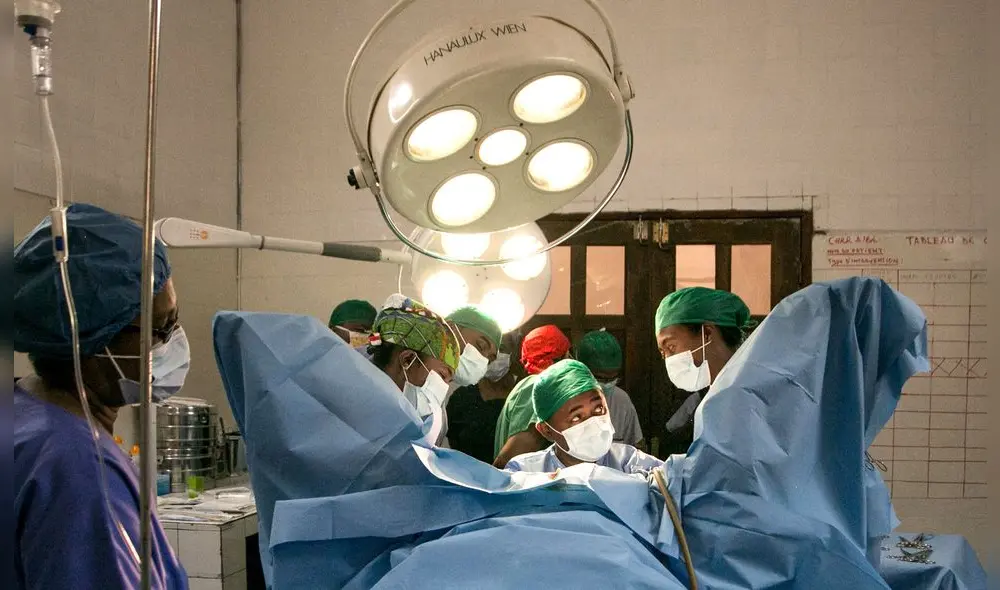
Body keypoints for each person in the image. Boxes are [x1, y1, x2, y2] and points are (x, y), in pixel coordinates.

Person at [10, 204, 188, 589]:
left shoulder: (22, 417)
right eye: (160, 327)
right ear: (91, 337)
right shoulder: (79, 471)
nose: (172, 341)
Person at [505, 360, 662, 475]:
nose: (592, 422)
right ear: (546, 430)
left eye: (599, 409)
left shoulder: (630, 465)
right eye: (576, 417)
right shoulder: (525, 473)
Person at [655, 287, 753, 454]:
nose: (668, 360)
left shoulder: (749, 393)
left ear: (706, 333)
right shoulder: (712, 397)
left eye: (671, 346)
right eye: (663, 353)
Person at [367, 294, 460, 440]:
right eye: (442, 376)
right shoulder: (351, 408)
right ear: (407, 359)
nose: (444, 388)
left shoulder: (400, 422)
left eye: (448, 381)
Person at [492, 325, 571, 467]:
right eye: (567, 354)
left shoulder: (528, 385)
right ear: (561, 358)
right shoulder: (539, 387)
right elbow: (510, 459)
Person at [446, 335, 522, 463]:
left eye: (502, 348)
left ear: (512, 354)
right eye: (488, 348)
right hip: (465, 475)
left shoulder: (520, 397)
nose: (495, 355)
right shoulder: (462, 397)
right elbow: (453, 441)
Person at [437, 306, 503, 448]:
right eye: (480, 346)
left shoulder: (436, 396)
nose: (482, 359)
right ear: (450, 328)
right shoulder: (408, 372)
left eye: (489, 360)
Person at [575, 329, 644, 450]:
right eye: (600, 378)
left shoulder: (621, 401)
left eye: (613, 378)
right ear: (582, 370)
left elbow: (637, 446)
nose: (607, 384)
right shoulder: (565, 402)